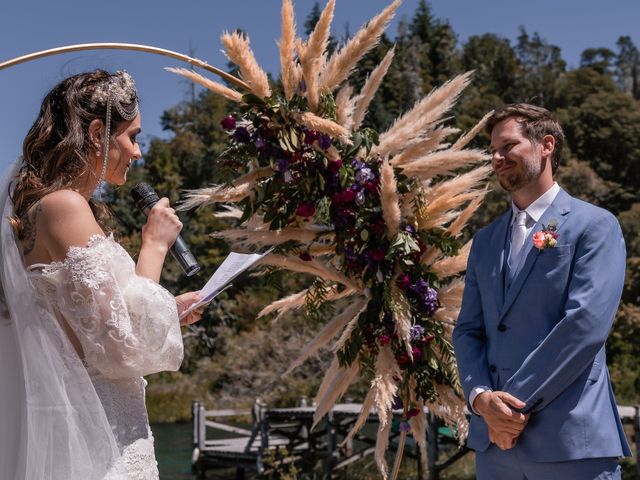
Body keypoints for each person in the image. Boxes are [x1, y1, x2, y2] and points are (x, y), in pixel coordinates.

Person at [0, 69, 205, 479]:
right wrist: (155, 246)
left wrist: (171, 310)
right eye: (133, 137)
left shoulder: (56, 210)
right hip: (98, 442)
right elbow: (121, 349)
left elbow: (91, 327)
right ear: (98, 133)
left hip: (105, 431)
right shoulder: (64, 207)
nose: (138, 152)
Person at [452, 103, 631, 479]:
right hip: (496, 450)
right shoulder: (484, 241)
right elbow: (468, 330)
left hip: (569, 443)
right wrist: (482, 399)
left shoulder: (595, 226)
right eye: (493, 151)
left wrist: (509, 410)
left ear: (545, 145)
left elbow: (584, 326)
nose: (497, 158)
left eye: (508, 146)